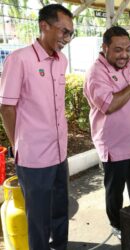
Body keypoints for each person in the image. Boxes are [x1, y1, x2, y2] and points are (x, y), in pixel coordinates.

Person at [0, 4, 74, 250]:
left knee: (60, 212)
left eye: (70, 34)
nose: (67, 39)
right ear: (44, 26)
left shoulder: (61, 60)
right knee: (38, 220)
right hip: (33, 158)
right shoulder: (19, 59)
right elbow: (7, 107)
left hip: (59, 153)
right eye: (64, 32)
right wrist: (17, 146)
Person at [83, 26, 130, 238]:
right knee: (115, 191)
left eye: (127, 49)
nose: (124, 54)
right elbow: (110, 105)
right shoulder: (96, 73)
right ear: (105, 47)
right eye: (117, 50)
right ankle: (117, 224)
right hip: (114, 144)